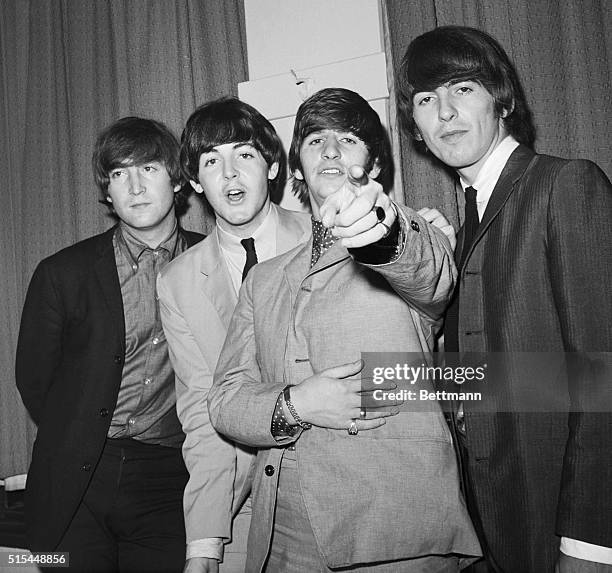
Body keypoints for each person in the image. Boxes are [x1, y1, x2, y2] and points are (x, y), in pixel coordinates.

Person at [208, 87, 481, 572]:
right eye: (315, 140)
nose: (331, 150)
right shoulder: (263, 279)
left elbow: (429, 274)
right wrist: (296, 403)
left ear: (374, 166)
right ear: (295, 169)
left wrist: (381, 229)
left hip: (394, 530)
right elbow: (225, 400)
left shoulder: (415, 233)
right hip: (283, 537)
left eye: (349, 139)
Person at [397, 25, 612, 573]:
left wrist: (589, 543)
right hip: (486, 518)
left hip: (557, 517)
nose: (444, 112)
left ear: (501, 99)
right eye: (426, 99)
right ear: (416, 130)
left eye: (462, 88)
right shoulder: (456, 224)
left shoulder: (566, 185)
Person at [15, 117, 204, 572]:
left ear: (177, 179)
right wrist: (79, 430)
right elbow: (35, 380)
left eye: (149, 169)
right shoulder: (62, 273)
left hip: (169, 476)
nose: (135, 186)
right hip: (75, 476)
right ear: (108, 192)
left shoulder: (215, 261)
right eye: (120, 174)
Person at [157, 97, 310, 573]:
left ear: (271, 166)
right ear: (196, 182)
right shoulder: (177, 280)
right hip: (243, 504)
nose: (228, 174)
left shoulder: (324, 236)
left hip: (336, 485)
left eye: (243, 154)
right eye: (210, 161)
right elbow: (203, 409)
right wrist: (202, 544)